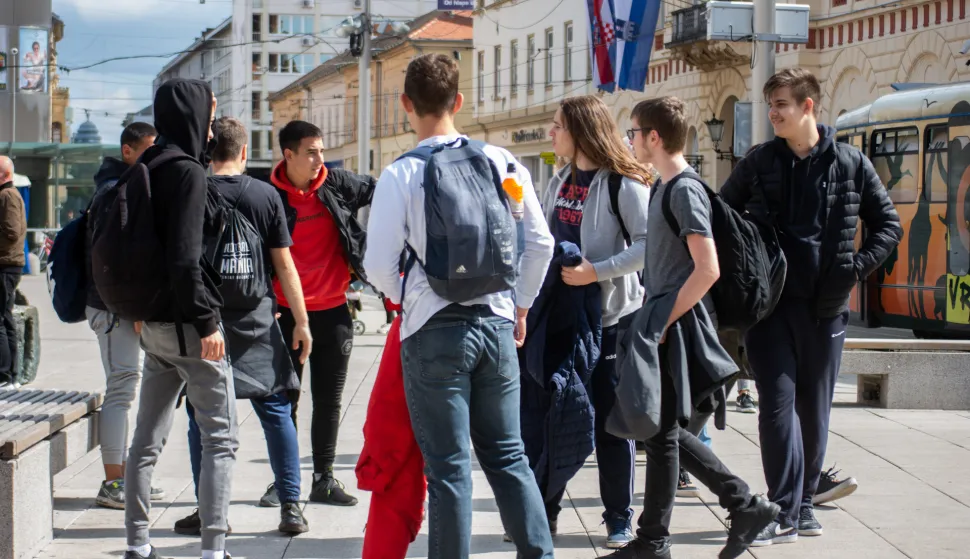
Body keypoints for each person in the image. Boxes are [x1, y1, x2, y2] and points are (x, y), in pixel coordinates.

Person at [363, 53, 556, 559]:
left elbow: (377, 264)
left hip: (432, 329)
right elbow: (540, 244)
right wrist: (519, 305)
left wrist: (407, 298)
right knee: (509, 457)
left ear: (406, 104)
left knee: (449, 471)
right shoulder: (503, 162)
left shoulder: (401, 174)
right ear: (459, 101)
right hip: (495, 325)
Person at [719, 68, 901, 546]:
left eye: (780, 103)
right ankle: (783, 507)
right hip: (769, 309)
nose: (772, 113)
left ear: (807, 107)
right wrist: (744, 266)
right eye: (769, 104)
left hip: (825, 309)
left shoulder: (850, 163)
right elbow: (722, 215)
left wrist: (853, 269)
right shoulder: (759, 162)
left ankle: (802, 506)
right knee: (775, 407)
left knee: (813, 410)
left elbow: (888, 225)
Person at [610, 96, 779, 559]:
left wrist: (662, 321)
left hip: (677, 325)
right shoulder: (664, 187)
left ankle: (727, 510)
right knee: (661, 431)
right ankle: (677, 530)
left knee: (661, 430)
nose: (631, 140)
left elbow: (708, 268)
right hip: (666, 320)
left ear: (654, 137)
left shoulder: (683, 189)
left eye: (634, 132)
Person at [172, 117, 312, 536]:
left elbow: (181, 262)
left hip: (207, 323)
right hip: (257, 321)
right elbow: (284, 264)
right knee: (276, 412)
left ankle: (209, 509)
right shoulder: (266, 195)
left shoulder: (193, 193)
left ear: (209, 151)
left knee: (203, 417)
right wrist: (301, 321)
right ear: (245, 151)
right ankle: (291, 507)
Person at [122, 78, 237, 559]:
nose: (212, 125)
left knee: (146, 438)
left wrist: (136, 312)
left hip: (152, 329)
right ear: (193, 115)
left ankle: (137, 544)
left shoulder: (144, 165)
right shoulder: (188, 172)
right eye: (209, 115)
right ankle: (213, 550)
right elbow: (186, 260)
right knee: (221, 438)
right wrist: (209, 323)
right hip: (191, 329)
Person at [539, 95, 651, 548]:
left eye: (558, 125)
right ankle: (544, 514)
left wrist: (594, 271)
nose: (551, 132)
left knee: (610, 423)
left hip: (610, 322)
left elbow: (649, 246)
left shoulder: (623, 184)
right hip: (561, 319)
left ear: (581, 130)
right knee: (551, 420)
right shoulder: (559, 181)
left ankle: (619, 519)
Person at [269, 120, 376, 507]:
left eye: (321, 150)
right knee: (285, 401)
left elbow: (386, 195)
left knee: (329, 400)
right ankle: (284, 479)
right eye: (311, 151)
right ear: (289, 155)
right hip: (284, 315)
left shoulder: (338, 184)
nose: (319, 159)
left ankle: (323, 478)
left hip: (333, 311)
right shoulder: (270, 196)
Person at [86, 122, 163, 510]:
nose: (152, 158)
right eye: (146, 150)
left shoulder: (123, 188)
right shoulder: (113, 192)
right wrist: (131, 307)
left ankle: (129, 474)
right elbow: (109, 261)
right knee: (121, 386)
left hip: (118, 308)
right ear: (128, 151)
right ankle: (113, 482)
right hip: (112, 309)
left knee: (132, 387)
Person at [0, 156, 26, 390]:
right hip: (7, 264)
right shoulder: (7, 195)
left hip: (5, 265)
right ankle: (9, 375)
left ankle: (6, 375)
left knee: (2, 319)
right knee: (4, 317)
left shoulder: (7, 196)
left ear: (4, 175)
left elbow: (11, 231)